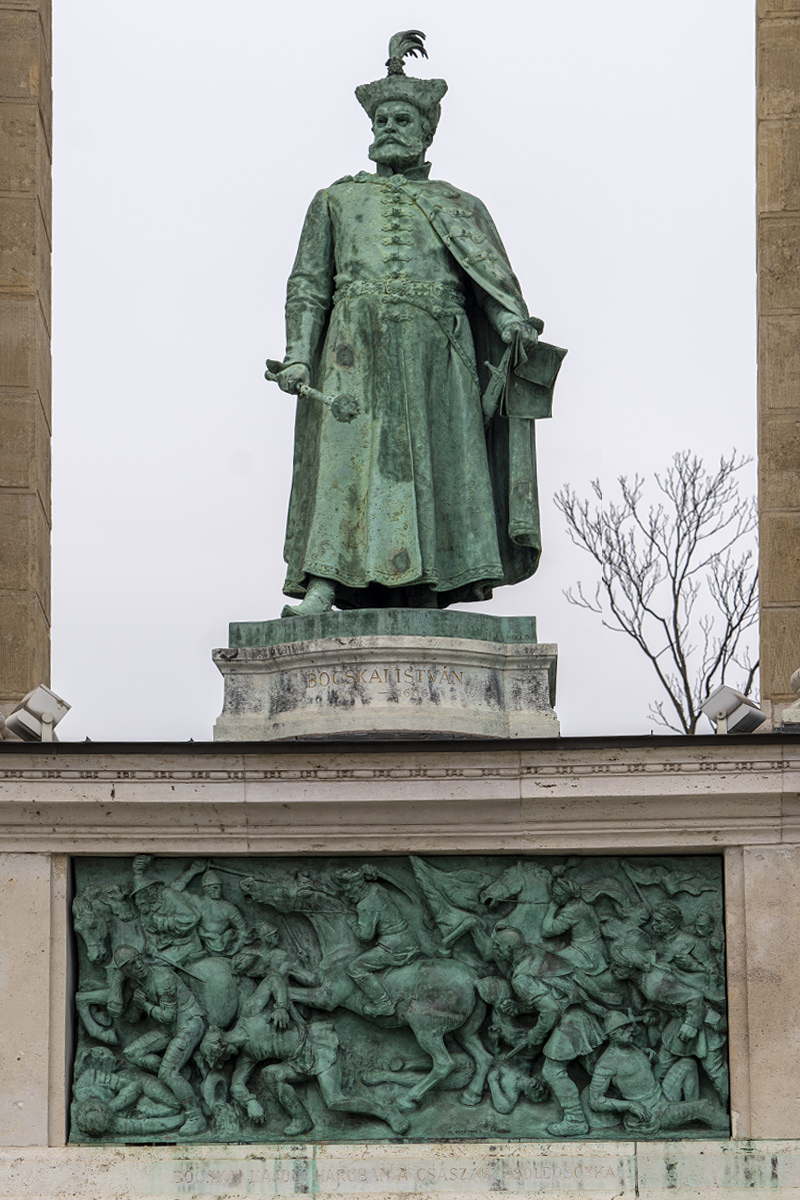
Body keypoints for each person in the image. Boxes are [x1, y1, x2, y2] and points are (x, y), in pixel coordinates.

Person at [273, 31, 564, 617]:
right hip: (353, 352)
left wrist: (512, 323)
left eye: (403, 117)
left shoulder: (461, 205)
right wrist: (300, 353)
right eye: (382, 117)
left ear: (426, 130)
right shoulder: (334, 200)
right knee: (345, 466)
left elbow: (495, 285)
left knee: (440, 466)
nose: (389, 127)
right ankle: (325, 582)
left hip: (440, 355)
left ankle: (434, 583)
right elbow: (307, 284)